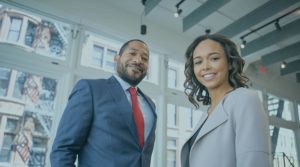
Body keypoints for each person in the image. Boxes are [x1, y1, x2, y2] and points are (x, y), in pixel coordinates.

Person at [50, 39, 157, 167]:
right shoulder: (90, 89)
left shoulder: (150, 104)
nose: (138, 60)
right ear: (117, 58)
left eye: (144, 58)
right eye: (132, 53)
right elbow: (63, 150)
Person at [180, 34, 272, 167]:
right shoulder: (208, 112)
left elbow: (254, 161)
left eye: (214, 58)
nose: (205, 67)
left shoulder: (245, 99)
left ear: (229, 63)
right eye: (198, 62)